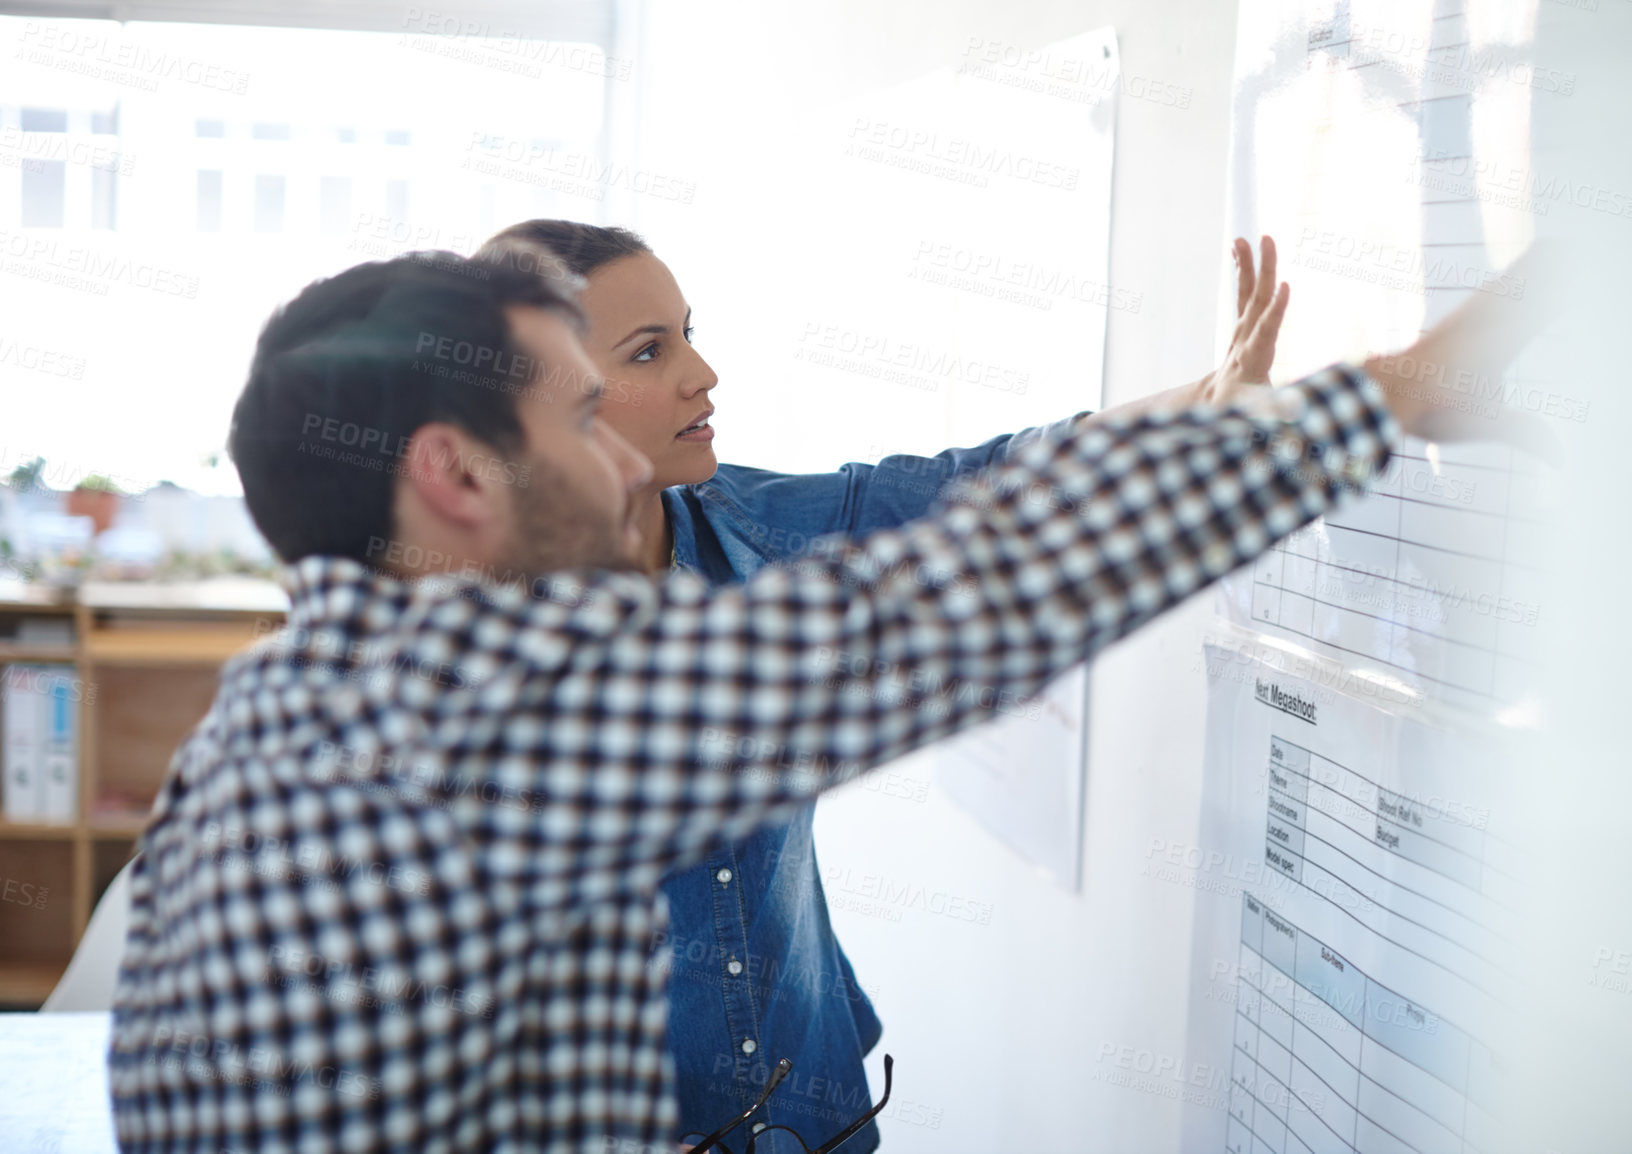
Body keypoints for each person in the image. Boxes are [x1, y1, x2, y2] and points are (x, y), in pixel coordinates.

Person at [107, 239, 1544, 1153]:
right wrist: (1400, 389)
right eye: (577, 414)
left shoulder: (291, 703)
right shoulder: (470, 730)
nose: (626, 464)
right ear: (456, 472)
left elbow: (947, 514)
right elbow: (970, 599)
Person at [474, 219, 1295, 1151]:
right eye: (650, 351)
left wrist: (1205, 400)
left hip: (814, 1111)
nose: (702, 373)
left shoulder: (745, 529)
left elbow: (978, 482)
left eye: (690, 333)